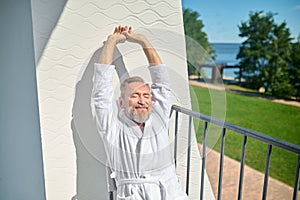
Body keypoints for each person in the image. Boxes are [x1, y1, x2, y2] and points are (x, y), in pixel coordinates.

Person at [92, 26, 188, 200]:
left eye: (146, 95)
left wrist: (143, 41)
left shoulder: (158, 118)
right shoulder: (112, 127)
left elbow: (163, 83)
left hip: (171, 193)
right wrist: (111, 42)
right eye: (134, 96)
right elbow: (101, 92)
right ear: (121, 102)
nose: (142, 100)